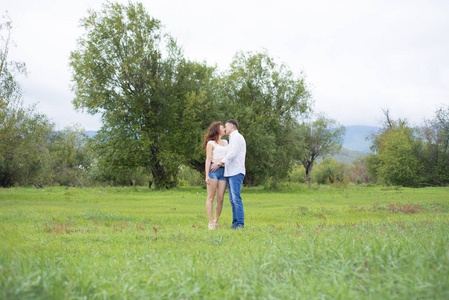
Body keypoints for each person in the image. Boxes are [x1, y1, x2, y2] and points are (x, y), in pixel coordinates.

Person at [211, 119, 246, 229]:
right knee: (232, 200)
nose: (225, 129)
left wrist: (219, 164)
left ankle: (240, 224)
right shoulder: (232, 138)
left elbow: (232, 154)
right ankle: (235, 223)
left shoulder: (237, 137)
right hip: (231, 172)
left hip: (236, 172)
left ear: (231, 127)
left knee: (236, 199)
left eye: (226, 126)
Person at [203, 121, 228, 230]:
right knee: (211, 197)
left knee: (220, 197)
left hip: (223, 171)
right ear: (217, 130)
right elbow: (208, 159)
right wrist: (207, 175)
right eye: (222, 127)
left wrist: (221, 163)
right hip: (213, 171)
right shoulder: (211, 143)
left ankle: (216, 221)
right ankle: (210, 222)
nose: (224, 129)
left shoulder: (226, 142)